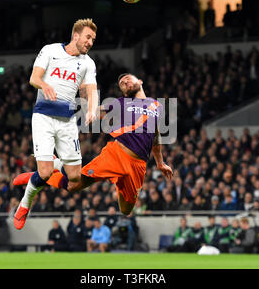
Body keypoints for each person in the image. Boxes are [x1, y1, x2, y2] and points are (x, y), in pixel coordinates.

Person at [14, 73, 173, 218]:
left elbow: (156, 136)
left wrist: (160, 162)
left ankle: (118, 179)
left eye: (127, 79)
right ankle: (45, 173)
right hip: (116, 155)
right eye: (122, 83)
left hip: (138, 166)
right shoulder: (121, 103)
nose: (125, 82)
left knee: (126, 210)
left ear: (140, 81)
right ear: (124, 93)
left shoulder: (156, 105)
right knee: (74, 185)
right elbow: (94, 111)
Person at [13, 18, 99, 230]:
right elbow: (34, 77)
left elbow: (91, 89)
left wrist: (91, 109)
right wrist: (44, 85)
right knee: (44, 173)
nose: (90, 42)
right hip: (43, 117)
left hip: (67, 122)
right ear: (76, 35)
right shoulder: (50, 50)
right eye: (88, 37)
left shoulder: (88, 63)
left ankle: (48, 165)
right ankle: (24, 204)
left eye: (93, 39)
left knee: (75, 179)